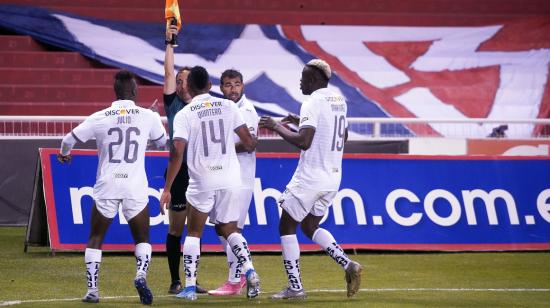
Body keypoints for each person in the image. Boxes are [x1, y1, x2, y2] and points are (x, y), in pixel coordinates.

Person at [57, 70, 167, 305]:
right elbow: (162, 143)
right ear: (135, 90)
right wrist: (152, 121)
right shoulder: (148, 116)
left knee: (96, 237)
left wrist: (64, 155)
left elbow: (68, 140)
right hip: (135, 185)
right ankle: (140, 274)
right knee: (143, 238)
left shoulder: (100, 117)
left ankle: (93, 290)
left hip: (107, 184)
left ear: (115, 91)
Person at [259, 59, 363, 300]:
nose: (300, 82)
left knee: (286, 226)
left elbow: (304, 141)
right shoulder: (338, 100)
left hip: (310, 178)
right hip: (332, 178)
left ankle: (295, 288)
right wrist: (300, 121)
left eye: (303, 78)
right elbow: (342, 134)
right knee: (309, 226)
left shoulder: (311, 102)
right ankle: (348, 265)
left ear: (314, 80)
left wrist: (276, 126)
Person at [160, 66, 261, 301]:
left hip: (202, 178)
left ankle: (189, 287)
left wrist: (167, 188)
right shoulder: (228, 106)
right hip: (230, 178)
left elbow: (177, 153)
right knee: (228, 228)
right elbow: (249, 142)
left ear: (189, 87)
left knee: (194, 232)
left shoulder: (186, 113)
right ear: (209, 86)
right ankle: (250, 270)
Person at [162, 22, 207, 295]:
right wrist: (169, 43)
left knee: (196, 229)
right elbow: (168, 70)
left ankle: (192, 280)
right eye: (177, 81)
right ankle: (175, 280)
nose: (179, 84)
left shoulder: (204, 104)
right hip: (179, 172)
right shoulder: (173, 104)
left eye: (183, 80)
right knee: (176, 228)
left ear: (193, 84)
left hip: (200, 171)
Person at [208, 69, 259, 296]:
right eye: (228, 85)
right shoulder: (223, 109)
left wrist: (221, 150)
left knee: (233, 228)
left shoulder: (246, 110)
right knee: (222, 227)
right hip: (226, 177)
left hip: (241, 178)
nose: (233, 89)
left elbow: (249, 144)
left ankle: (237, 279)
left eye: (237, 84)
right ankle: (239, 277)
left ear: (243, 86)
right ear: (221, 88)